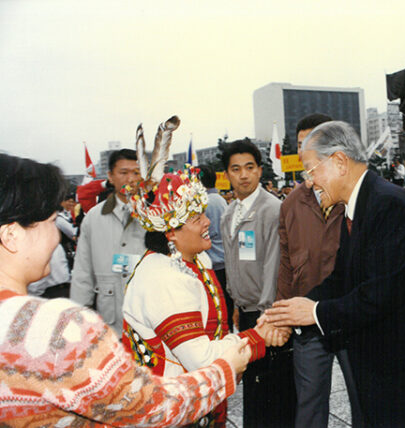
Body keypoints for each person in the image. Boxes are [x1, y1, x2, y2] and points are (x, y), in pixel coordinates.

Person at [0, 153, 251, 426]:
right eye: (51, 221)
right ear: (11, 235)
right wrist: (226, 369)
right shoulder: (56, 329)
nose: (57, 234)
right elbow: (147, 407)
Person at [265, 121, 405, 427]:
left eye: (311, 170)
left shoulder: (388, 204)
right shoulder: (359, 205)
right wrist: (288, 313)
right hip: (388, 368)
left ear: (339, 161)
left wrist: (315, 312)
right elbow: (341, 278)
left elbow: (379, 294)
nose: (309, 182)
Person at [122, 161, 288, 427]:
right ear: (171, 233)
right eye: (196, 218)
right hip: (172, 408)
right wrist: (260, 337)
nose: (207, 222)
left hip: (197, 401)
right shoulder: (164, 279)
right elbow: (201, 359)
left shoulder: (195, 261)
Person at [278, 113, 362, 428]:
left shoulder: (354, 198)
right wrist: (283, 314)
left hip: (353, 317)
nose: (307, 152)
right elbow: (285, 265)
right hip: (308, 320)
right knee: (309, 404)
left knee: (363, 398)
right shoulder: (291, 204)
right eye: (302, 145)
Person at [220, 139, 294, 427]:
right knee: (255, 388)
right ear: (227, 174)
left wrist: (268, 314)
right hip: (246, 311)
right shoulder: (229, 213)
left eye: (250, 167)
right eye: (236, 169)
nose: (244, 175)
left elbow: (274, 264)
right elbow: (231, 262)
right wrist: (236, 304)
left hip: (267, 315)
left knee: (273, 392)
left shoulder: (271, 209)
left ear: (260, 170)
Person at [70, 148, 146, 333]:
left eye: (136, 173)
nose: (130, 179)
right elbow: (82, 273)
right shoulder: (93, 218)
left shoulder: (156, 214)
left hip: (149, 320)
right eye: (123, 173)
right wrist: (78, 321)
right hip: (112, 322)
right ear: (110, 177)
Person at [199, 163, 235, 333]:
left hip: (214, 261)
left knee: (220, 309)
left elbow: (208, 233)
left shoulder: (206, 202)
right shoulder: (219, 199)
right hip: (224, 259)